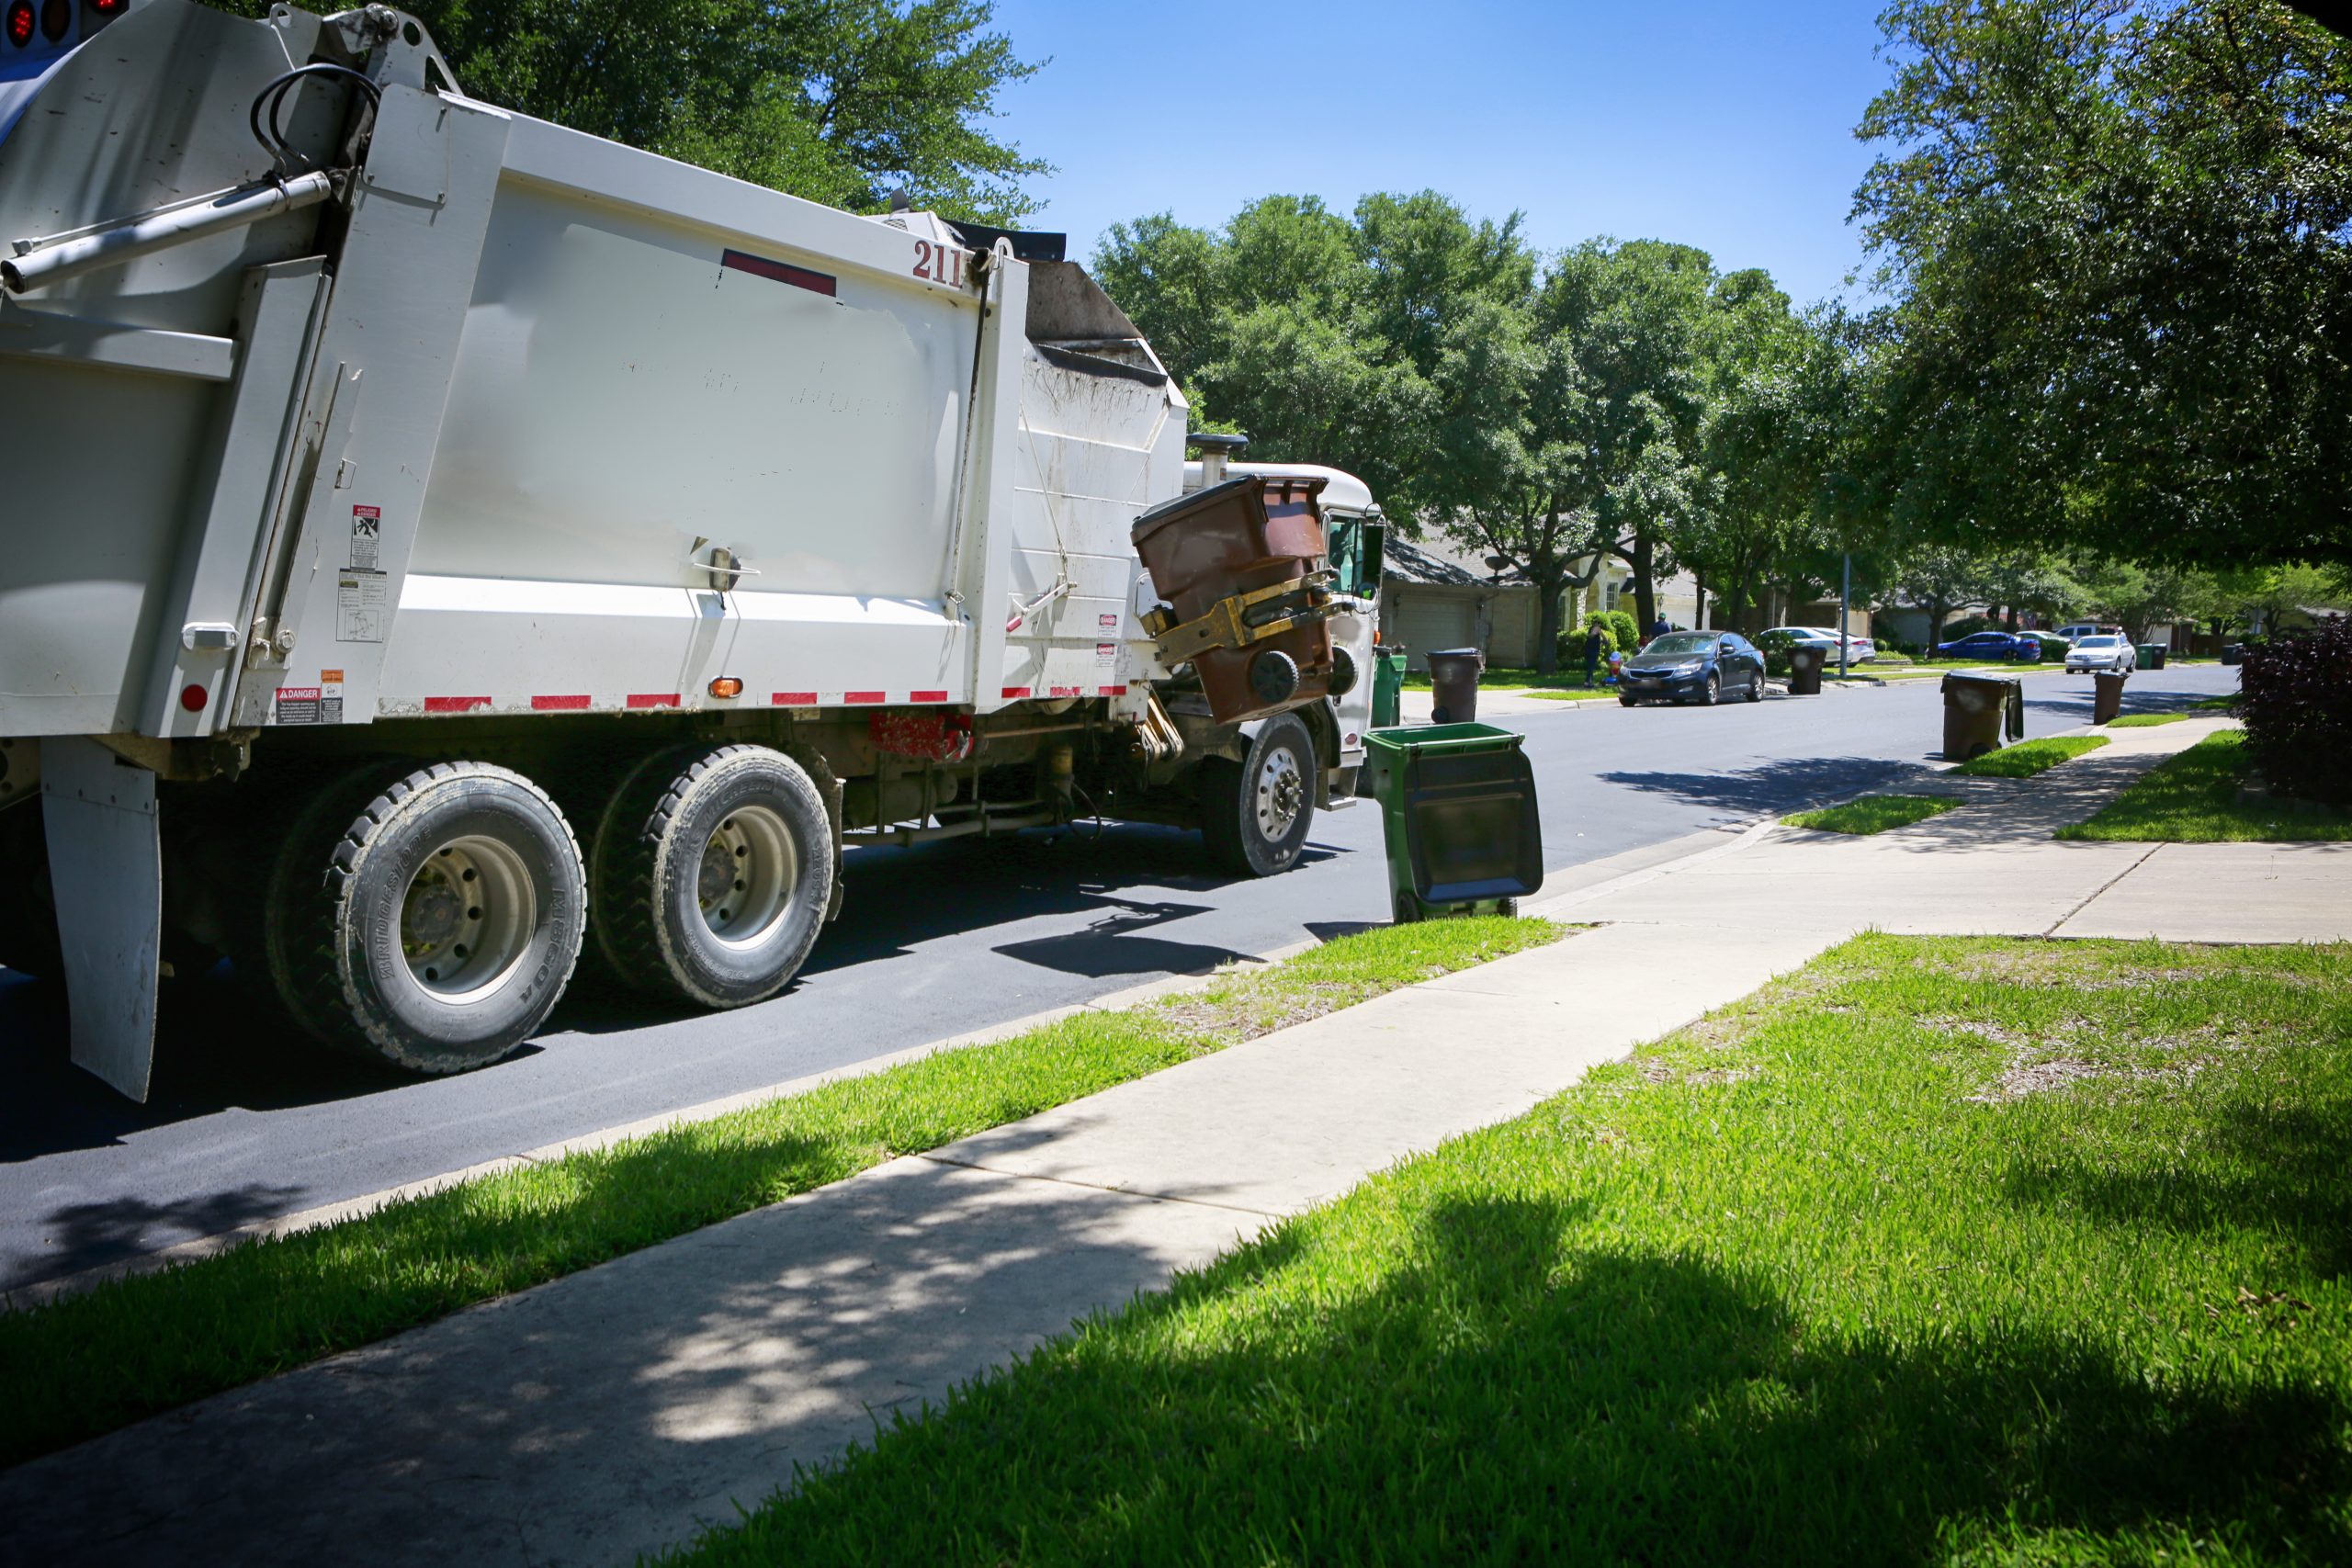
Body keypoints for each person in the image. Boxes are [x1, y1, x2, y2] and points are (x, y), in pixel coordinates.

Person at [1581, 621, 1603, 687]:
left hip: (1587, 650)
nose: (1599, 626)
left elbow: (1593, 638)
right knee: (1591, 667)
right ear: (1596, 624)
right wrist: (1606, 640)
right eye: (1599, 624)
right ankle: (1587, 681)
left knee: (1590, 667)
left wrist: (1601, 641)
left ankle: (1591, 682)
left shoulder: (1591, 629)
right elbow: (1603, 636)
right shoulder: (1597, 629)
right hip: (1593, 651)